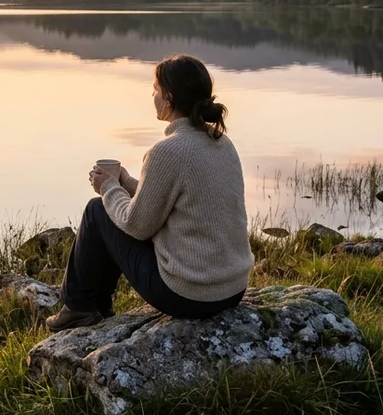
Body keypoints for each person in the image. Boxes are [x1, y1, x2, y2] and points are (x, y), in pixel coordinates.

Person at [46, 54, 253, 332]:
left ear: (167, 97)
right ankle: (98, 307)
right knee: (107, 209)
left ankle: (80, 308)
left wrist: (108, 187)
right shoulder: (221, 142)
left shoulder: (167, 152)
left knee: (98, 211)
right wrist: (127, 181)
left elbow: (137, 226)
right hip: (232, 289)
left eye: (155, 90)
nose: (152, 96)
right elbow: (171, 200)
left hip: (189, 295)